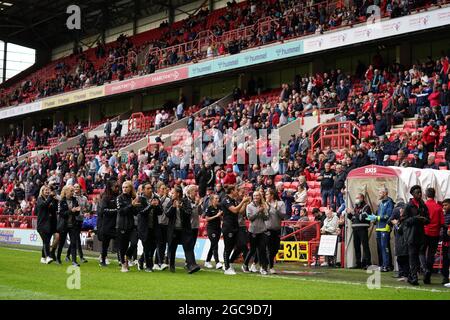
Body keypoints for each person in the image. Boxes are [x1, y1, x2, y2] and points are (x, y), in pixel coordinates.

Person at [164, 186, 200, 274]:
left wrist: (181, 208)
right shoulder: (170, 202)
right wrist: (173, 207)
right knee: (172, 248)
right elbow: (167, 214)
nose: (171, 194)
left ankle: (192, 265)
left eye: (173, 193)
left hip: (184, 230)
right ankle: (171, 265)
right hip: (173, 230)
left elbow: (189, 213)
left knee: (188, 247)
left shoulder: (185, 201)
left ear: (178, 194)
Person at [402, 185, 430, 285]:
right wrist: (416, 218)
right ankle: (414, 277)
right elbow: (405, 221)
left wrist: (425, 220)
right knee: (413, 257)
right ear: (413, 194)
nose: (420, 194)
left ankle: (419, 273)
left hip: (420, 234)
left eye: (420, 192)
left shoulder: (423, 204)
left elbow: (428, 219)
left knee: (418, 255)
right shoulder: (408, 206)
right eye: (417, 192)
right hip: (411, 235)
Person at [221, 185, 251, 275]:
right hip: (228, 226)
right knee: (228, 247)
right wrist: (242, 201)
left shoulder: (233, 200)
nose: (237, 192)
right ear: (232, 191)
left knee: (240, 244)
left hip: (235, 226)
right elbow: (234, 210)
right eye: (236, 190)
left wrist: (245, 203)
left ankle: (228, 264)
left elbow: (240, 211)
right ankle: (226, 267)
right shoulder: (226, 200)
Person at [242, 191, 269, 275]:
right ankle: (245, 264)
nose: (256, 197)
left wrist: (263, 211)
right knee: (252, 249)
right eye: (254, 195)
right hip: (253, 230)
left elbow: (266, 218)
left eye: (257, 195)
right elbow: (250, 218)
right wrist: (258, 211)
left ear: (260, 196)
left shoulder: (263, 205)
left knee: (262, 249)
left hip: (262, 230)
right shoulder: (249, 206)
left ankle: (263, 267)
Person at [137, 182, 162, 272]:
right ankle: (149, 266)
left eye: (151, 188)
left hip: (154, 227)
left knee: (153, 246)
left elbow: (160, 212)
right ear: (143, 190)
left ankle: (141, 260)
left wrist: (157, 206)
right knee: (147, 247)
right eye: (147, 188)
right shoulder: (140, 199)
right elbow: (142, 212)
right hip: (144, 227)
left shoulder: (156, 197)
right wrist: (150, 206)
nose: (150, 190)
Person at [421, 187, 444, 284]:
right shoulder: (438, 207)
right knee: (431, 254)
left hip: (424, 232)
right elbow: (442, 222)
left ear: (426, 195)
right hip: (435, 234)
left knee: (421, 252)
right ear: (434, 195)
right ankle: (428, 275)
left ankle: (425, 269)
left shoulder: (424, 206)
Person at [116, 180, 140, 272]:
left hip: (131, 225)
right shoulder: (119, 198)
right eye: (123, 187)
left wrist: (134, 206)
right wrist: (131, 205)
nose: (124, 189)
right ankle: (123, 264)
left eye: (126, 187)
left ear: (130, 188)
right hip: (121, 225)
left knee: (134, 243)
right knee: (123, 246)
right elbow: (121, 211)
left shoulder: (133, 197)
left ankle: (127, 256)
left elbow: (136, 212)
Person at [370, 187, 394, 272]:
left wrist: (377, 217)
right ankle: (383, 264)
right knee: (380, 248)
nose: (379, 194)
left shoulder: (389, 202)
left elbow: (388, 216)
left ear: (384, 193)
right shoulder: (380, 203)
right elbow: (378, 215)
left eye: (380, 193)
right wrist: (374, 219)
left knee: (385, 247)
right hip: (378, 228)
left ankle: (387, 265)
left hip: (385, 228)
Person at [56, 185, 81, 266]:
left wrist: (77, 210)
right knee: (62, 243)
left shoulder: (75, 200)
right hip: (64, 225)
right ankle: (58, 258)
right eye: (71, 191)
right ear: (66, 191)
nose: (73, 193)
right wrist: (71, 210)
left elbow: (76, 213)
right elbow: (61, 214)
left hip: (72, 224)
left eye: (73, 191)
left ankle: (74, 261)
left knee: (73, 243)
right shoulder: (62, 201)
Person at [97, 179, 119, 267]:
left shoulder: (118, 197)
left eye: (118, 186)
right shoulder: (106, 197)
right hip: (107, 224)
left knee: (119, 242)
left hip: (117, 224)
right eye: (116, 187)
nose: (118, 188)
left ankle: (121, 260)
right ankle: (102, 260)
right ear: (111, 187)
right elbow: (103, 210)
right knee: (105, 244)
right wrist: (116, 211)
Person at [346, 193, 372, 269]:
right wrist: (349, 214)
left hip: (363, 228)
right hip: (355, 228)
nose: (356, 199)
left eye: (358, 198)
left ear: (362, 198)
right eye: (356, 197)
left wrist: (354, 214)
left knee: (365, 246)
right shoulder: (355, 207)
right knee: (356, 246)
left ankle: (367, 263)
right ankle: (358, 263)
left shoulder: (366, 207)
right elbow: (352, 219)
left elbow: (363, 217)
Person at [265, 188, 287, 274]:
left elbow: (283, 216)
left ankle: (266, 263)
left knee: (276, 248)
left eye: (267, 194)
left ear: (272, 195)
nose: (266, 196)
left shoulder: (280, 203)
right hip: (267, 228)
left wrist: (276, 209)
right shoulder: (265, 204)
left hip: (277, 228)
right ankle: (270, 266)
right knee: (269, 248)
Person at [36, 185, 57, 264]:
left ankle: (42, 257)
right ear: (42, 191)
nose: (47, 191)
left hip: (49, 224)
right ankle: (48, 256)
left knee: (46, 241)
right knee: (46, 241)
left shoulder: (50, 199)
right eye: (46, 190)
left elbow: (54, 209)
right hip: (41, 224)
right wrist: (51, 197)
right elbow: (44, 205)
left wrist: (55, 200)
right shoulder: (39, 199)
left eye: (48, 190)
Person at [389, 202, 409, 281]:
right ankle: (403, 274)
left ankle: (405, 275)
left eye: (401, 211)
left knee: (403, 258)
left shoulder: (406, 220)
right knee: (400, 258)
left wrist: (395, 224)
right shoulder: (402, 219)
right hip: (400, 241)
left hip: (403, 241)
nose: (400, 212)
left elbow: (401, 230)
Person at [203, 194, 223, 269]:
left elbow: (221, 217)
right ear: (212, 200)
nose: (218, 199)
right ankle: (217, 262)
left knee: (213, 245)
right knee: (215, 245)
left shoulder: (219, 207)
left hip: (218, 228)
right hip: (211, 229)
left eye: (218, 198)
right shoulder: (209, 208)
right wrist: (216, 216)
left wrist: (220, 217)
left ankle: (207, 261)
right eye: (216, 198)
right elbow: (207, 219)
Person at [155, 182, 170, 270]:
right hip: (158, 224)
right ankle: (159, 262)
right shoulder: (156, 198)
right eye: (163, 189)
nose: (165, 190)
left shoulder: (168, 199)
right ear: (158, 189)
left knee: (163, 244)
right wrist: (164, 196)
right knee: (158, 244)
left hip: (166, 224)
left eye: (166, 189)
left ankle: (158, 262)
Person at [441, 198, 450, 286]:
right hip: (445, 241)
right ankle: (445, 277)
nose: (444, 207)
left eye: (446, 205)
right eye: (443, 205)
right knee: (445, 260)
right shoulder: (443, 214)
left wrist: (447, 226)